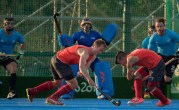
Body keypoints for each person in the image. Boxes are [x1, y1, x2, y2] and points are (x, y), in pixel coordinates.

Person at [26, 39, 107, 105]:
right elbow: (81, 67)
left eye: (102, 51)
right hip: (60, 62)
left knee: (58, 83)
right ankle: (52, 98)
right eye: (100, 50)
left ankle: (33, 91)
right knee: (74, 84)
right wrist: (89, 79)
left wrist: (81, 72)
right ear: (95, 46)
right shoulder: (84, 52)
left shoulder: (93, 57)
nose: (100, 52)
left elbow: (84, 67)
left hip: (56, 59)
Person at [59, 17, 114, 99]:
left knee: (100, 67)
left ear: (91, 26)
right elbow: (70, 44)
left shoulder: (96, 34)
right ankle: (67, 92)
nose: (86, 26)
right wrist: (63, 40)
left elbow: (101, 44)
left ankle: (103, 91)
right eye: (84, 24)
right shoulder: (77, 34)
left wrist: (86, 67)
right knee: (71, 68)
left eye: (88, 24)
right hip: (81, 56)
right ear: (82, 25)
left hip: (93, 56)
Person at [148, 17, 179, 96]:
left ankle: (167, 75)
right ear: (155, 27)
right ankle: (163, 97)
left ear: (164, 26)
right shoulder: (153, 38)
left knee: (167, 80)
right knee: (160, 77)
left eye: (161, 26)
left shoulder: (171, 34)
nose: (159, 28)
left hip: (172, 57)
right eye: (157, 26)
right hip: (161, 57)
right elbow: (150, 52)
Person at [0, 16, 26, 99]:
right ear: (3, 25)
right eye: (7, 24)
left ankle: (11, 92)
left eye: (12, 24)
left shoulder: (16, 34)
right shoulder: (0, 33)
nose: (10, 25)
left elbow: (23, 43)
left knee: (13, 68)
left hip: (7, 57)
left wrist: (20, 52)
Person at [141, 25, 156, 98]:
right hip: (148, 61)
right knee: (146, 74)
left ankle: (158, 92)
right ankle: (146, 91)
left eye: (154, 31)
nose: (153, 33)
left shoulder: (160, 39)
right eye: (151, 31)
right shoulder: (145, 41)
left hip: (158, 61)